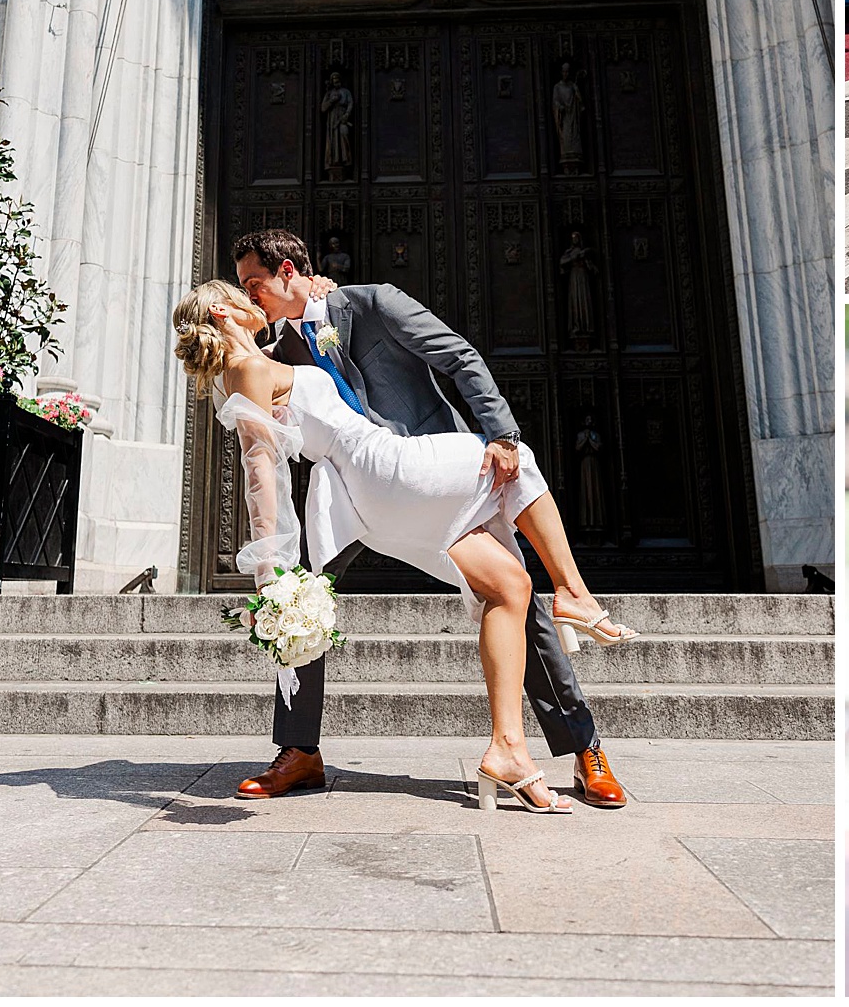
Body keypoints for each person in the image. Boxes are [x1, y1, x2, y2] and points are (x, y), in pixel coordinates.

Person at [220, 229, 635, 809]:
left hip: (426, 471)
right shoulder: (271, 348)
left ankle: (583, 749)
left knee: (516, 596)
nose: (250, 296)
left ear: (288, 271)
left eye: (255, 284)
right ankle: (299, 751)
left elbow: (459, 357)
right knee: (299, 598)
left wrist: (502, 436)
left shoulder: (372, 303)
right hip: (345, 492)